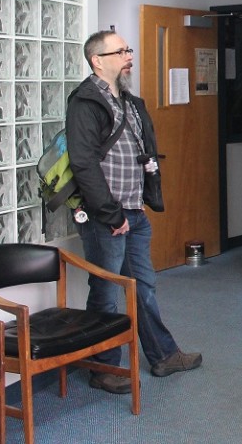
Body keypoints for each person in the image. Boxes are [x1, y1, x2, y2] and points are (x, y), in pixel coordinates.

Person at [66, 30, 202, 395]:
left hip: (135, 212)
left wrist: (143, 200)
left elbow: (145, 150)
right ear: (97, 60)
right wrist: (112, 214)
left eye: (129, 49)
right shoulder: (85, 102)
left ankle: (163, 355)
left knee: (144, 287)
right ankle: (103, 368)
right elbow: (83, 163)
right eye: (121, 51)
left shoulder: (129, 101)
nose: (129, 56)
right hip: (106, 217)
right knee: (107, 292)